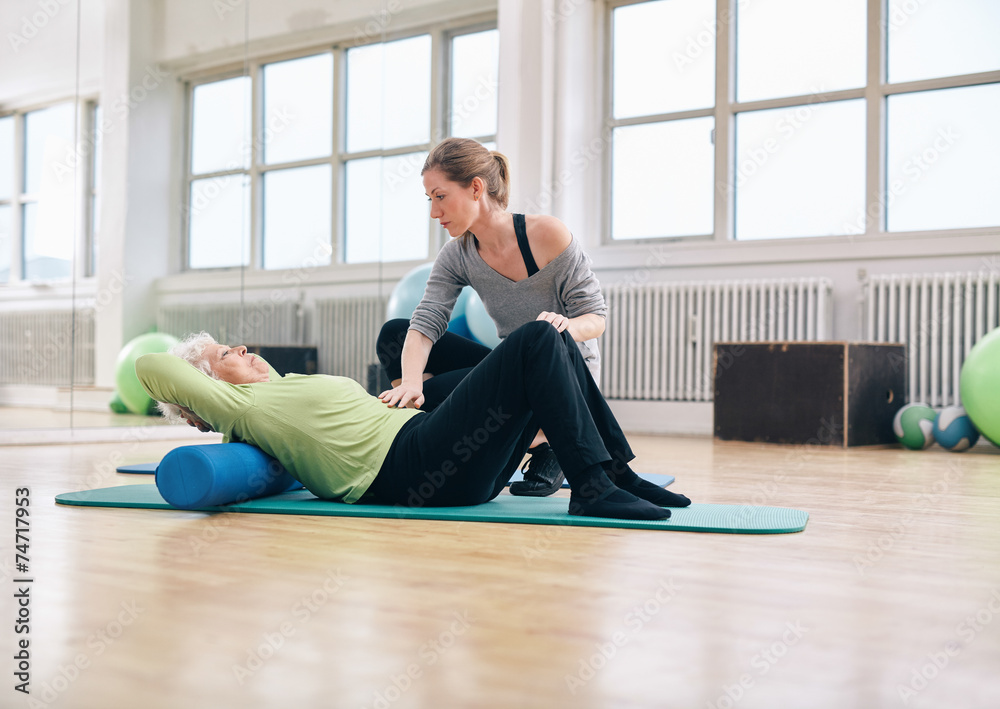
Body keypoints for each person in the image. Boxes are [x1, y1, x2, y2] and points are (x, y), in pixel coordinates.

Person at [136, 323, 691, 520]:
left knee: (553, 339)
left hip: (424, 444)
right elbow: (150, 364)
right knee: (536, 339)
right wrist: (203, 379)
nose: (242, 346)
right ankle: (591, 485)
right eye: (226, 355)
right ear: (210, 391)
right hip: (415, 466)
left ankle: (613, 473)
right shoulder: (244, 408)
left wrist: (390, 399)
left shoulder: (283, 390)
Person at [377, 137, 607, 498]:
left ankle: (545, 439)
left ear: (476, 188)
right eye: (429, 200)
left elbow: (596, 318)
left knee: (441, 395)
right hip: (513, 370)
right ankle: (507, 440)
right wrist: (411, 385)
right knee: (395, 334)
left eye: (440, 196)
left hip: (562, 377)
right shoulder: (457, 255)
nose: (434, 212)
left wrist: (565, 327)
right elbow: (426, 322)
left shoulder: (546, 234)